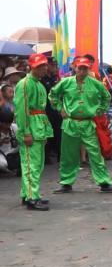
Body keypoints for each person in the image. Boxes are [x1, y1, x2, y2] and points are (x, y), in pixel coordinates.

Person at [49, 57, 112, 193]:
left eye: (85, 68)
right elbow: (53, 95)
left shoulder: (95, 84)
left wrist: (99, 110)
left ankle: (104, 182)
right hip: (70, 123)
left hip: (88, 123)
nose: (82, 71)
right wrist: (60, 108)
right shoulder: (66, 82)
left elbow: (107, 97)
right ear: (75, 68)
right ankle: (66, 182)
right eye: (80, 68)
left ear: (88, 69)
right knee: (68, 155)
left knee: (95, 153)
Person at [14, 54, 54, 210]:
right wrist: (26, 132)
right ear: (31, 67)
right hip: (31, 127)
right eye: (39, 66)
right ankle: (32, 197)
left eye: (44, 65)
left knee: (34, 164)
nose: (43, 68)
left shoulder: (38, 84)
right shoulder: (25, 84)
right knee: (32, 165)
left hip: (39, 127)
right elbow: (21, 110)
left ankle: (28, 194)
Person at [41, 57, 62, 163]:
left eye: (55, 65)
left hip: (56, 110)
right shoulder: (42, 80)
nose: (55, 67)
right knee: (47, 134)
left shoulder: (56, 78)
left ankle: (60, 156)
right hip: (46, 110)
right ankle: (46, 156)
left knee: (58, 132)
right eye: (52, 65)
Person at [0, 110, 18, 175]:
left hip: (12, 152)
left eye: (9, 123)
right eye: (6, 124)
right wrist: (1, 142)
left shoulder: (14, 127)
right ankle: (6, 170)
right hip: (1, 154)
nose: (8, 125)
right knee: (3, 164)